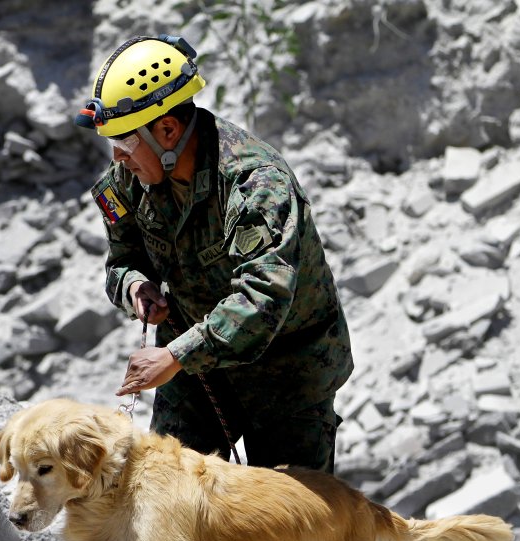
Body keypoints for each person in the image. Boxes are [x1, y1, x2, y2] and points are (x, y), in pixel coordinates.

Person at [73, 34, 353, 473]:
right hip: (198, 373)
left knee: (286, 528)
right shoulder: (130, 179)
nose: (117, 158)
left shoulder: (255, 182)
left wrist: (176, 356)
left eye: (126, 145)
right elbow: (121, 260)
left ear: (167, 129)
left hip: (286, 374)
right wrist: (134, 287)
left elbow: (264, 298)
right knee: (168, 493)